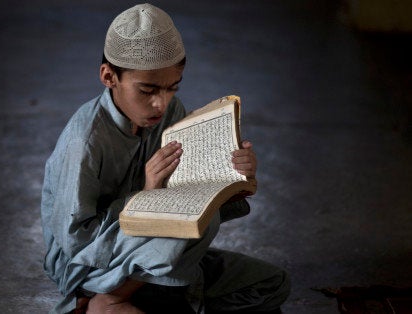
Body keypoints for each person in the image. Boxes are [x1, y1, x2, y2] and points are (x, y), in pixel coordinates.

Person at [40, 3, 290, 313]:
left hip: (156, 251)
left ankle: (149, 295)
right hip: (91, 266)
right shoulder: (85, 141)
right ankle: (111, 299)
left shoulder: (171, 111)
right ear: (109, 76)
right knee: (178, 231)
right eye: (147, 89)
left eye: (172, 88)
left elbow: (190, 190)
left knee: (272, 283)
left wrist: (237, 173)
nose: (161, 103)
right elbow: (75, 243)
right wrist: (146, 196)